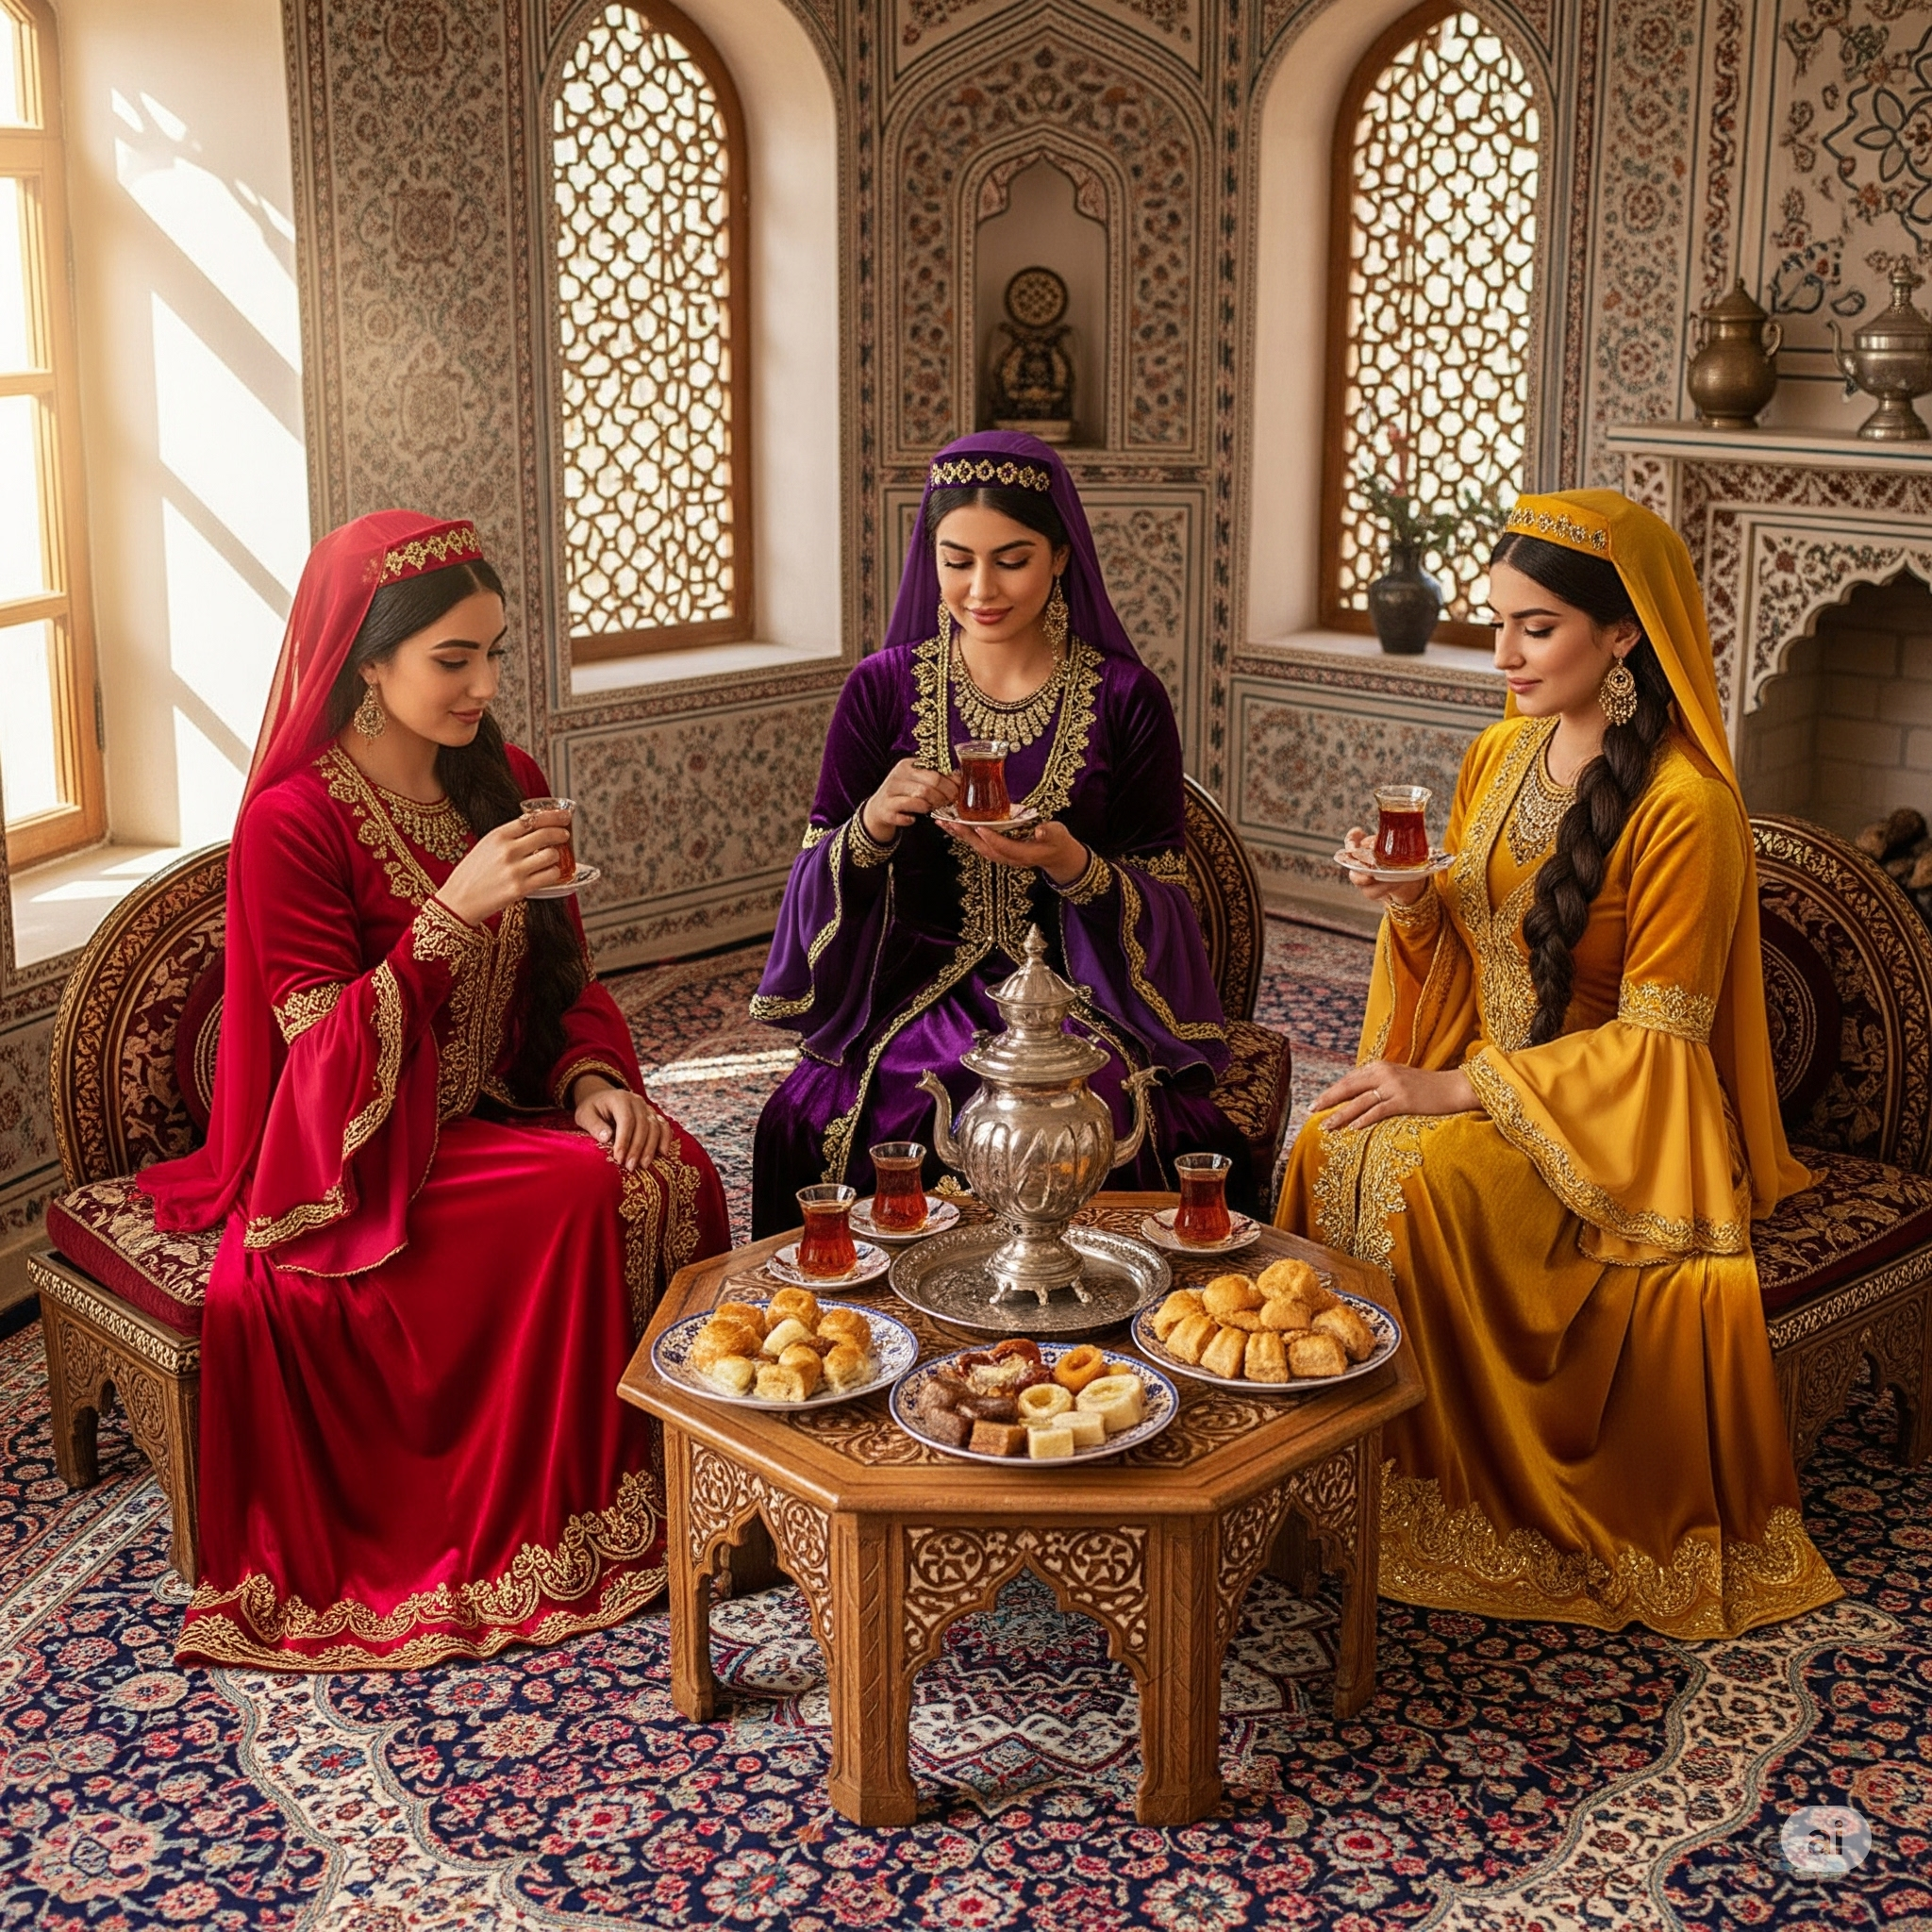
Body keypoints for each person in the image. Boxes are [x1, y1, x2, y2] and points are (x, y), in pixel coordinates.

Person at [142, 511, 730, 1671]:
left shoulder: (504, 779)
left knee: (665, 1161)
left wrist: (589, 1074)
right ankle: (556, 1518)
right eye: (452, 659)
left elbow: (563, 971)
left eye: (493, 652)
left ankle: (679, 1488)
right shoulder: (293, 822)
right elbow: (318, 1067)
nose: (485, 685)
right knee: (580, 1201)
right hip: (351, 1160)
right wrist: (450, 913)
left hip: (497, 1111)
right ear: (367, 662)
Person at [1275, 489, 1839, 1638]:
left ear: (1622, 632)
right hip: (1487, 1068)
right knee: (1327, 1142)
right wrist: (1410, 903)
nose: (1502, 654)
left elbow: (1658, 1043)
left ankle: (1451, 1497)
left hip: (1616, 1119)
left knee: (1425, 1180)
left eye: (1534, 627)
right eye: (1496, 622)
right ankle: (1334, 1473)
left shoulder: (1684, 808)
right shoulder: (1499, 751)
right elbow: (1472, 944)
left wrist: (1459, 1088)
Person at [750, 431, 1243, 1236]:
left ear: (1061, 556)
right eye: (956, 561)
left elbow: (1170, 901)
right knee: (897, 1097)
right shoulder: (880, 689)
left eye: (1012, 560)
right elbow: (812, 880)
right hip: (909, 992)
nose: (980, 589)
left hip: (1080, 1000)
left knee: (1090, 1106)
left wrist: (1074, 864)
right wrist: (871, 825)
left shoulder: (1127, 698)